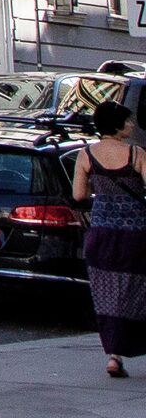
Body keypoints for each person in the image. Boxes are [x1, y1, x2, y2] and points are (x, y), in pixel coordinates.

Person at [77, 96, 146, 376]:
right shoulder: (136, 154)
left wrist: (101, 192)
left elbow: (79, 195)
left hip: (101, 235)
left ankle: (114, 356)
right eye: (128, 121)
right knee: (137, 292)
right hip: (135, 235)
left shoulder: (86, 154)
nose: (131, 124)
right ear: (117, 126)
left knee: (107, 295)